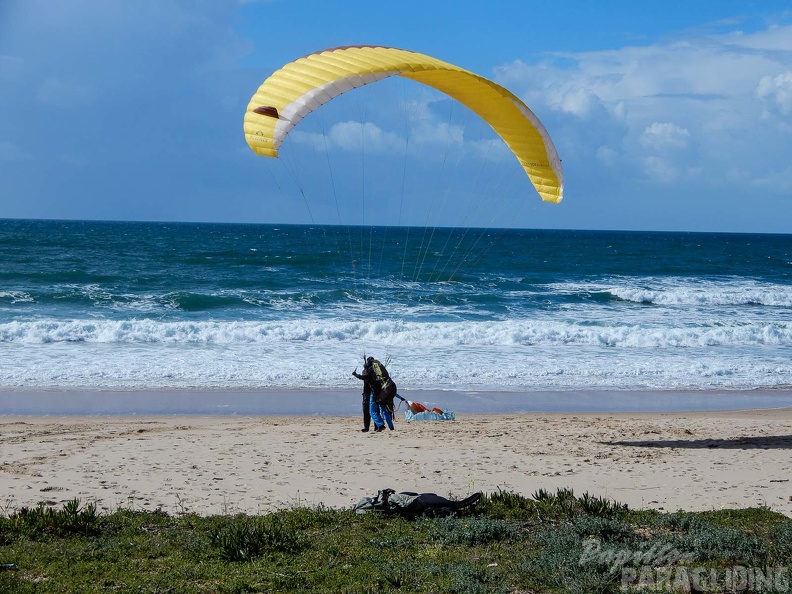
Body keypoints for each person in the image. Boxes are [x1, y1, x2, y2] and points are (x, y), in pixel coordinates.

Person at [352, 356, 397, 432]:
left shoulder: (371, 371)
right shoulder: (378, 371)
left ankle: (380, 425)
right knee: (383, 410)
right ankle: (391, 427)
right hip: (383, 392)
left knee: (372, 411)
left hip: (375, 393)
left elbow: (366, 377)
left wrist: (356, 375)